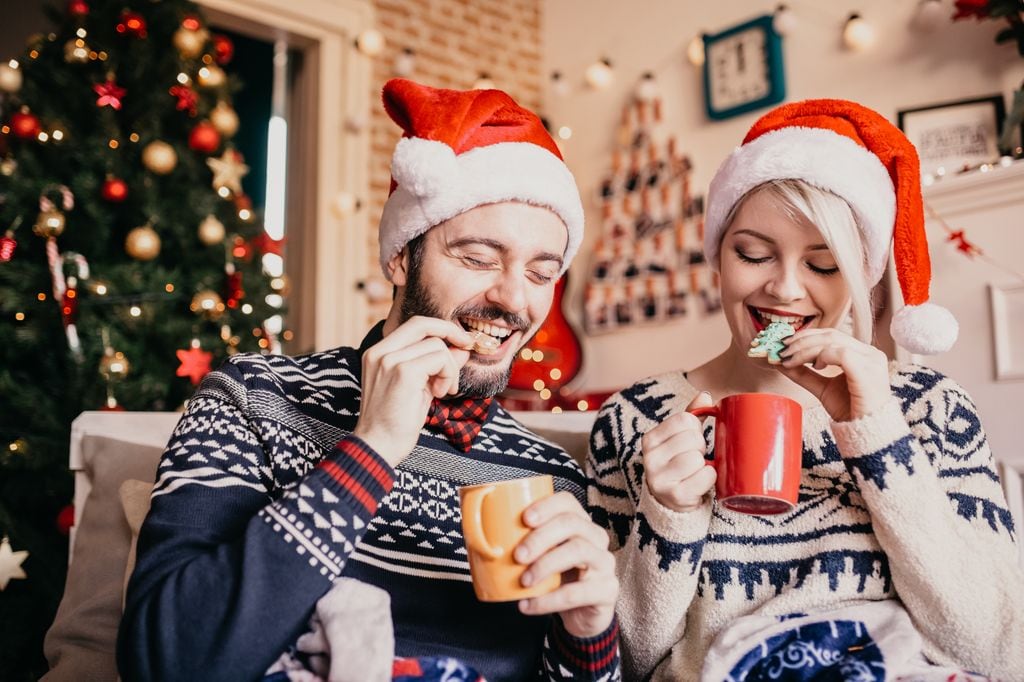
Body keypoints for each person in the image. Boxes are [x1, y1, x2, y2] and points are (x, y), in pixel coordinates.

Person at [118, 78, 620, 682]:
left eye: (542, 273)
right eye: (479, 258)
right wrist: (374, 447)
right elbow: (165, 660)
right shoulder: (251, 397)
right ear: (401, 256)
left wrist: (589, 636)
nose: (514, 298)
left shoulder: (550, 476)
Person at [587, 99, 1024, 681]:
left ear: (861, 278)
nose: (785, 288)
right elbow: (617, 667)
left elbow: (998, 652)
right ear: (718, 254)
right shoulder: (635, 418)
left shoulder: (928, 405)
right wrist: (668, 518)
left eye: (822, 265)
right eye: (753, 253)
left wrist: (877, 441)